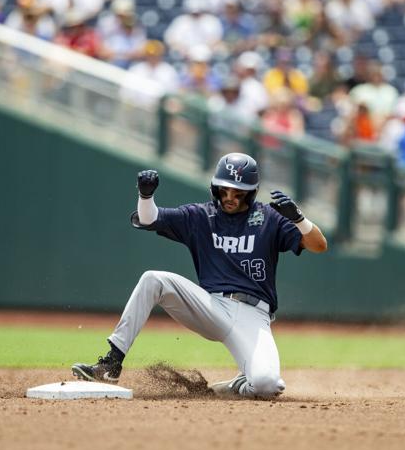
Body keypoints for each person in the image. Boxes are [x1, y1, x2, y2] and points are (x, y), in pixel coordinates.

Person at [71, 153, 328, 398]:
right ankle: (111, 363)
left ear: (251, 194)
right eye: (224, 189)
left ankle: (240, 386)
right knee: (153, 279)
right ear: (214, 188)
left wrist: (300, 220)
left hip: (254, 316)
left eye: (238, 192)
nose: (229, 196)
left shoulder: (268, 217)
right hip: (211, 306)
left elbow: (319, 246)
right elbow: (150, 219)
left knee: (267, 384)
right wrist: (145, 195)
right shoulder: (201, 215)